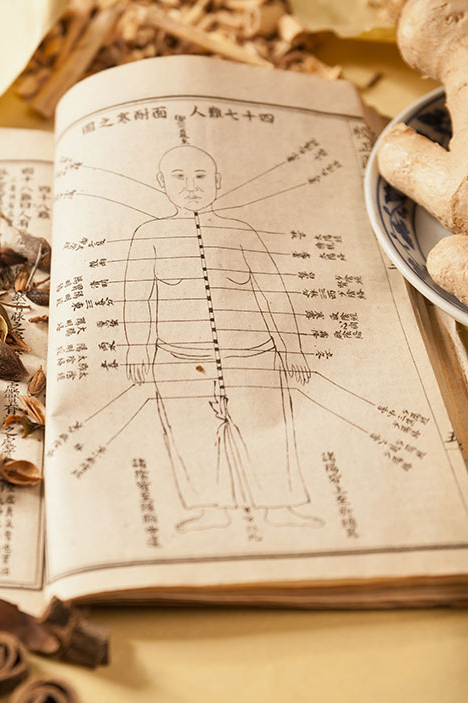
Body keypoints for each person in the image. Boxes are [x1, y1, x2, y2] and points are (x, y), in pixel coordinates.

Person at [123, 144, 322, 531]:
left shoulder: (240, 232)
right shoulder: (149, 235)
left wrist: (291, 347)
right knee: (189, 432)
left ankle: (279, 506)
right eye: (179, 177)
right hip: (178, 358)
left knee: (266, 427)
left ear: (216, 182)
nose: (191, 186)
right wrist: (137, 347)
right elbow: (137, 296)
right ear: (163, 183)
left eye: (200, 177)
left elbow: (272, 290)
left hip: (252, 355)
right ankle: (209, 509)